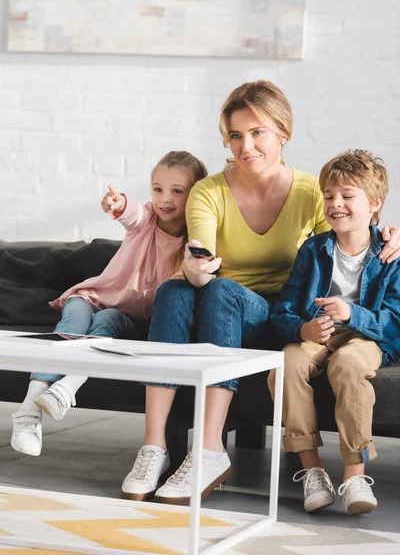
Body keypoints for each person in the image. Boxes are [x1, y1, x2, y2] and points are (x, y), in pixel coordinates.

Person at [120, 80, 400, 504]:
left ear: (282, 133)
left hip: (278, 318)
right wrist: (194, 270)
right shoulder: (208, 191)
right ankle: (153, 445)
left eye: (257, 133)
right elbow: (201, 263)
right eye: (235, 135)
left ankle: (210, 448)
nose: (245, 145)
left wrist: (388, 235)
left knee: (221, 292)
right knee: (175, 291)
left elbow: (347, 243)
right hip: (220, 307)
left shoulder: (313, 194)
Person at [11, 151, 207, 458]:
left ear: (196, 195)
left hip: (124, 316)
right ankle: (27, 414)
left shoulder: (194, 242)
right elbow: (132, 212)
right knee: (71, 327)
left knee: (107, 323)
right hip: (91, 296)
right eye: (157, 189)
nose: (164, 199)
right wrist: (118, 204)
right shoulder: (146, 221)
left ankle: (67, 387)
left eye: (177, 191)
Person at [268, 149, 400, 515]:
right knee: (287, 363)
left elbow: (395, 320)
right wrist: (303, 328)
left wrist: (352, 313)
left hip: (366, 337)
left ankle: (355, 475)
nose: (335, 204)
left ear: (375, 203)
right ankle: (313, 471)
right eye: (329, 196)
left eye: (347, 196)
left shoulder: (391, 254)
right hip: (318, 333)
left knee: (348, 365)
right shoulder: (312, 250)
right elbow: (284, 311)